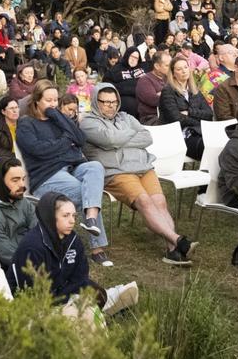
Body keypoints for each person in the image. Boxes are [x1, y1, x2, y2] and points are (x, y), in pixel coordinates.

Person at [82, 83, 195, 265]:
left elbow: (147, 137)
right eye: (105, 102)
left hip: (143, 166)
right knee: (144, 201)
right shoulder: (88, 122)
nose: (111, 106)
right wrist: (125, 136)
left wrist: (119, 139)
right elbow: (110, 140)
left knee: (160, 202)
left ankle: (173, 250)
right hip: (117, 171)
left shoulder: (125, 117)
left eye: (114, 101)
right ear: (96, 101)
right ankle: (178, 240)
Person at [16, 80, 111, 266]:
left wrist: (58, 116)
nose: (52, 104)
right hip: (46, 175)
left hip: (72, 167)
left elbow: (80, 139)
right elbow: (39, 150)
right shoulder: (26, 124)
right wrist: (64, 143)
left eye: (55, 100)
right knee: (85, 191)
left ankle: (90, 218)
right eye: (48, 100)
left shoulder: (58, 119)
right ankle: (97, 248)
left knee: (95, 168)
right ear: (36, 101)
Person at [9, 194, 139, 317]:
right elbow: (33, 294)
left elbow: (81, 276)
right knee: (85, 309)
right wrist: (72, 296)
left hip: (64, 293)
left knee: (92, 296)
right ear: (50, 216)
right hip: (36, 306)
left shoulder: (73, 240)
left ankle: (104, 300)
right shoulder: (32, 247)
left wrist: (78, 293)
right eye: (65, 216)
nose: (72, 221)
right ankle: (105, 302)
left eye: (74, 216)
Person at [0, 157, 38, 268]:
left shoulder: (23, 201)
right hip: (15, 271)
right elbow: (11, 257)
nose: (22, 185)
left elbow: (40, 233)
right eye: (15, 180)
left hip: (37, 259)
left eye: (23, 179)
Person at [159, 55, 214, 159]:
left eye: (186, 67)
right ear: (174, 74)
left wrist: (189, 112)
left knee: (220, 144)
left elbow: (209, 114)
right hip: (177, 137)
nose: (184, 71)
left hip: (197, 132)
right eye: (179, 69)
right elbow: (176, 118)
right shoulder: (168, 91)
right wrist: (199, 121)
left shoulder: (194, 90)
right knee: (208, 148)